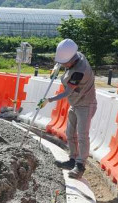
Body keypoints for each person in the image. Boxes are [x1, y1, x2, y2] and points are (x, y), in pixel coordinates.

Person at [38, 38, 97, 179]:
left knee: (82, 135)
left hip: (85, 105)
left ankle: (80, 165)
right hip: (76, 104)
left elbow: (67, 92)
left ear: (71, 59)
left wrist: (49, 100)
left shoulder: (80, 71)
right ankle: (72, 160)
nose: (63, 64)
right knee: (70, 133)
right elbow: (64, 64)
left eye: (64, 63)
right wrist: (56, 68)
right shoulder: (75, 56)